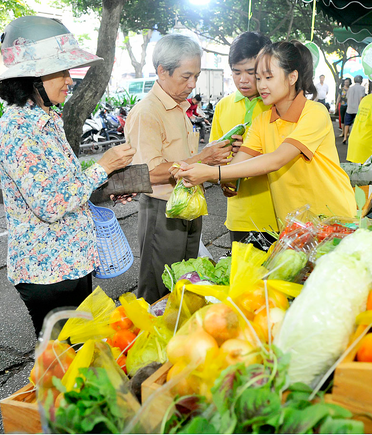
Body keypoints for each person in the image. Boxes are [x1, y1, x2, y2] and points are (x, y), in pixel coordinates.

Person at [0, 16, 136, 336]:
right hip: (48, 275)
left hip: (73, 262)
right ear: (32, 78)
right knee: (62, 367)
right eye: (61, 71)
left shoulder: (48, 118)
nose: (70, 80)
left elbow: (64, 183)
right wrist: (103, 166)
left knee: (84, 359)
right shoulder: (19, 127)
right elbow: (49, 204)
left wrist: (106, 184)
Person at [173, 41, 357, 221]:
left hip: (333, 216)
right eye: (259, 78)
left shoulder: (315, 113)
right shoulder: (262, 121)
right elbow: (235, 168)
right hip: (293, 224)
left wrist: (212, 173)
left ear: (292, 77)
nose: (261, 85)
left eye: (269, 77)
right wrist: (196, 168)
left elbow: (276, 159)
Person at [125, 34, 232, 304]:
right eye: (186, 77)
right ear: (162, 71)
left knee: (184, 283)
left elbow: (184, 159)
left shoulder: (177, 108)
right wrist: (204, 158)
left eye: (195, 76)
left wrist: (209, 159)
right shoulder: (148, 112)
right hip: (162, 212)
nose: (192, 84)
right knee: (158, 288)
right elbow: (147, 173)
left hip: (187, 206)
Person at [208, 31, 278, 245]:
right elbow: (213, 158)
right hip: (238, 217)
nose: (243, 80)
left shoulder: (278, 105)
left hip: (278, 215)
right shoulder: (223, 106)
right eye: (236, 72)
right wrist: (223, 176)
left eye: (250, 72)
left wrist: (250, 153)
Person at [342, 75, 366, 143]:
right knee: (356, 124)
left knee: (347, 124)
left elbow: (347, 97)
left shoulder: (350, 88)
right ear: (361, 81)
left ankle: (345, 137)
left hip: (349, 108)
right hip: (357, 109)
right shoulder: (362, 88)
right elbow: (361, 98)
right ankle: (355, 137)